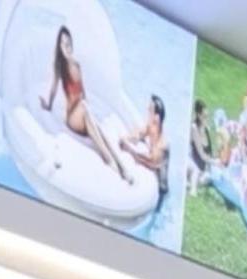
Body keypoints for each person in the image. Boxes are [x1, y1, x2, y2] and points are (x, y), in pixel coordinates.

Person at [40, 26, 128, 183]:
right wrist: (48, 105)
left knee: (99, 129)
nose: (66, 47)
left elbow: (83, 92)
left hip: (83, 114)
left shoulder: (77, 65)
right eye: (63, 44)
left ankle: (121, 165)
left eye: (68, 43)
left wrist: (88, 112)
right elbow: (53, 89)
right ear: (59, 46)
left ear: (72, 45)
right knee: (85, 108)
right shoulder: (59, 67)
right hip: (72, 119)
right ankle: (108, 159)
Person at [119, 95, 169, 204]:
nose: (147, 110)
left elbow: (151, 161)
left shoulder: (162, 144)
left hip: (160, 189)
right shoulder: (151, 127)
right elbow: (140, 132)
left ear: (156, 117)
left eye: (150, 109)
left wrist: (129, 150)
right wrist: (130, 137)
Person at [186, 100, 211, 194]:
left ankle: (191, 182)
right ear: (198, 115)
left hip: (201, 164)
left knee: (207, 178)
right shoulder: (194, 128)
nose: (206, 119)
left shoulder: (206, 128)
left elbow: (208, 152)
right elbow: (201, 154)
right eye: (204, 116)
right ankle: (192, 189)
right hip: (192, 161)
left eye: (207, 116)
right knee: (196, 171)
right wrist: (215, 162)